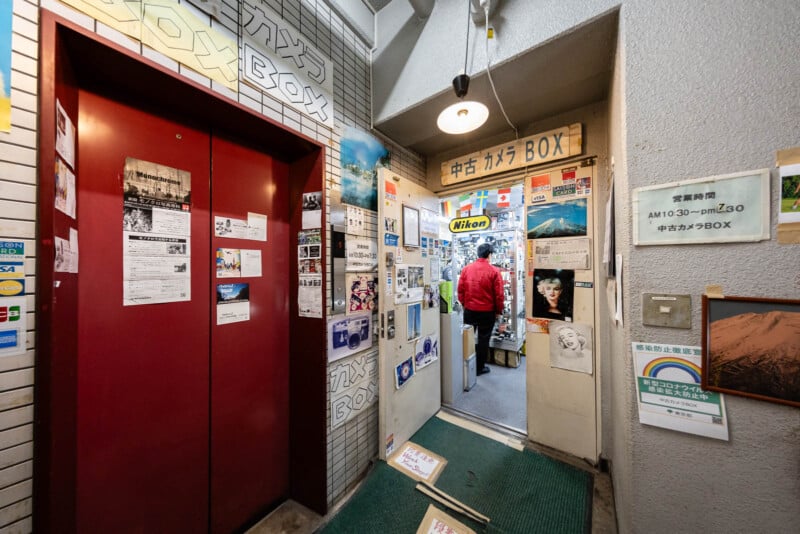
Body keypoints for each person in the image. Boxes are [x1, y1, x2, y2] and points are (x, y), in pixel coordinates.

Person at [458, 243, 505, 376]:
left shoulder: (466, 269)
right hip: (487, 311)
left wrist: (464, 303)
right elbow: (499, 295)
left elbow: (460, 289)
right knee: (484, 339)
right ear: (490, 254)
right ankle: (479, 368)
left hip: (470, 310)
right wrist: (498, 311)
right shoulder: (494, 271)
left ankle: (465, 365)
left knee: (467, 337)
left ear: (478, 254)